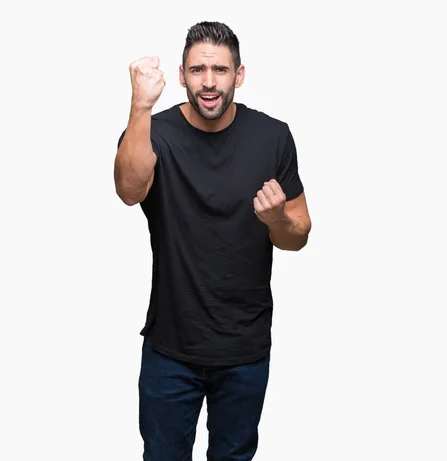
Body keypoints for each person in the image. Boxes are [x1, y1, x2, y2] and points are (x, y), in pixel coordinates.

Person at [113, 21, 311, 461]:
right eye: (198, 70)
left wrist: (277, 219)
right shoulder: (154, 132)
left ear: (238, 75)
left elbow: (299, 233)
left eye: (220, 70)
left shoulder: (273, 136)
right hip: (170, 348)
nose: (208, 82)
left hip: (245, 348)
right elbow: (129, 190)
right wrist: (140, 106)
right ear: (182, 75)